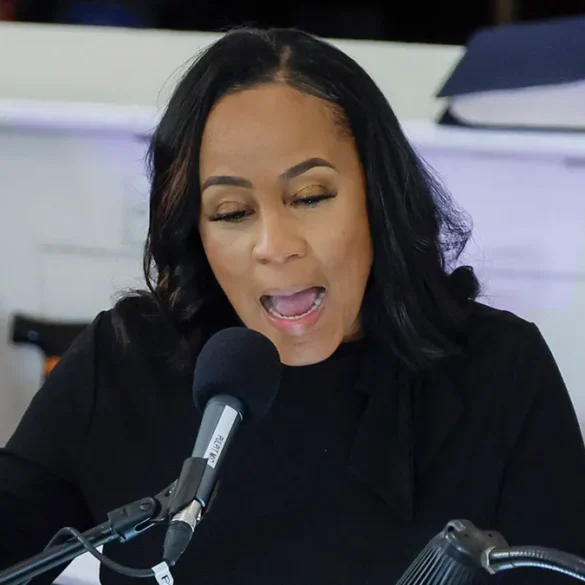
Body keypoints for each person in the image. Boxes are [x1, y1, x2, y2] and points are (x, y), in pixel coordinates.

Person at [1, 26, 585, 585]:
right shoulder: (124, 362)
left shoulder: (500, 372)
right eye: (232, 212)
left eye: (309, 196)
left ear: (377, 197)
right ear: (196, 232)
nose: (275, 246)